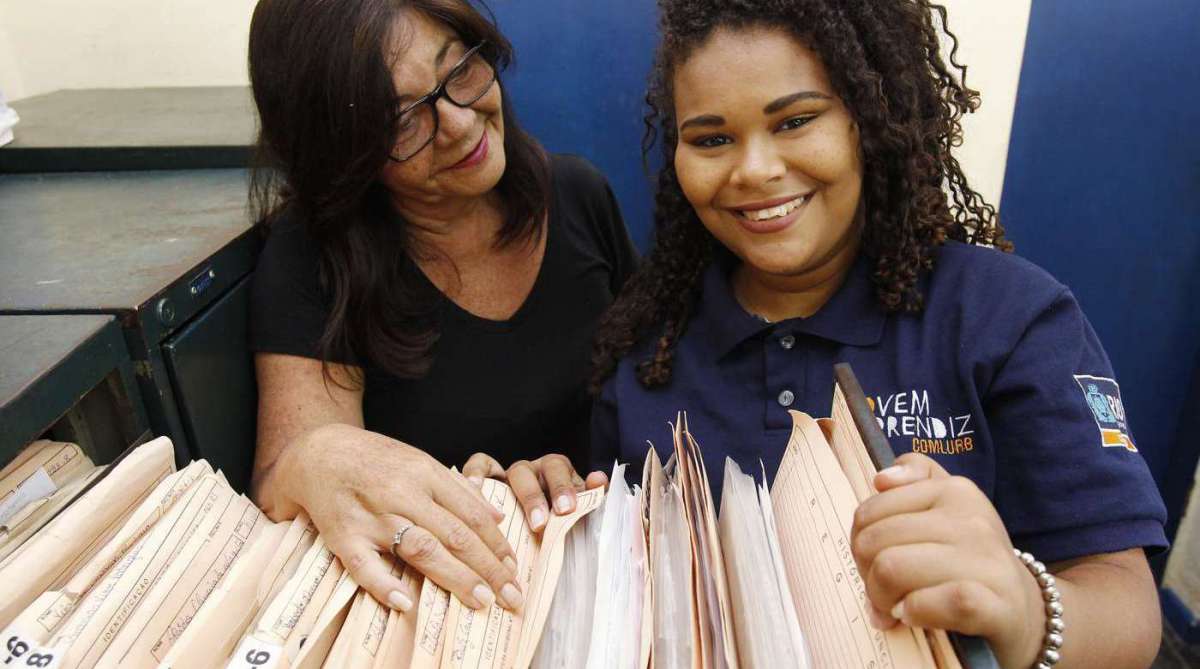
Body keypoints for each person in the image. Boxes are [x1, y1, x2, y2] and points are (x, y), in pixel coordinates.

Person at [586, 1, 1167, 666]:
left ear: (871, 118)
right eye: (712, 138)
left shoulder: (1004, 318)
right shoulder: (645, 350)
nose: (754, 169)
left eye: (796, 120)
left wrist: (1022, 603)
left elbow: (1129, 609)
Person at [246, 0, 633, 616]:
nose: (458, 123)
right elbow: (282, 481)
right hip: (455, 608)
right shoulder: (315, 261)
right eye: (401, 121)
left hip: (611, 564)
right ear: (343, 151)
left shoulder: (579, 194)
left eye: (460, 72)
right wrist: (314, 458)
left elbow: (653, 387)